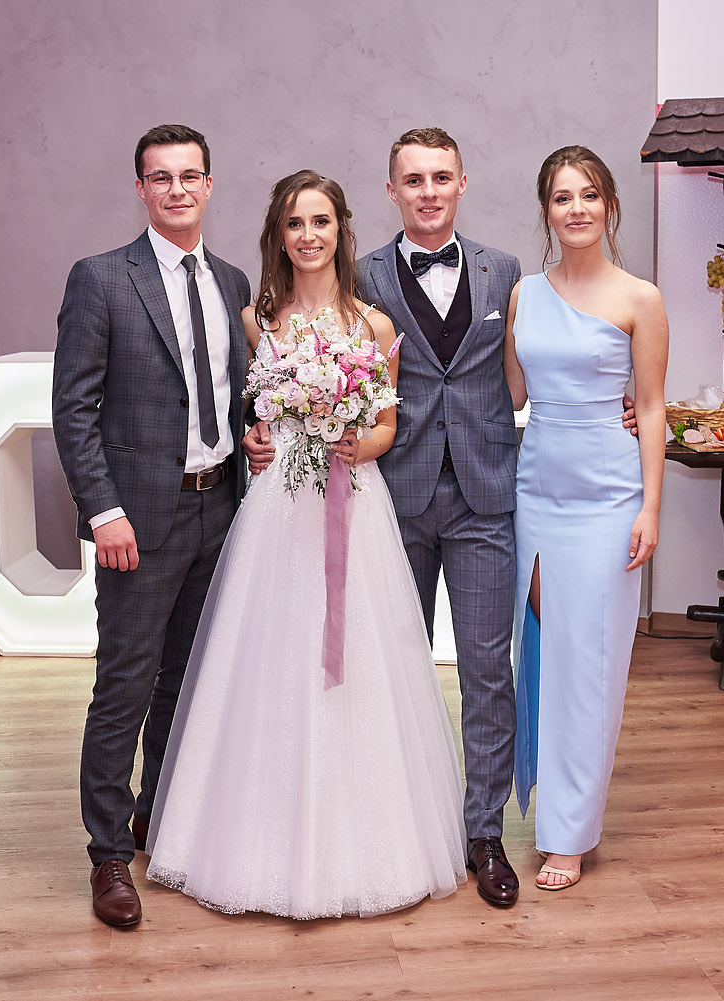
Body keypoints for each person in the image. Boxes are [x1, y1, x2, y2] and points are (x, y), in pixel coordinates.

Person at [144, 170, 467, 919]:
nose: (309, 235)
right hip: (279, 513)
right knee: (269, 660)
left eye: (320, 221)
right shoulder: (256, 321)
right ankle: (251, 844)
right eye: (295, 223)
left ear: (341, 230)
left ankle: (366, 847)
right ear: (279, 236)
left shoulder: (374, 325)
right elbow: (245, 413)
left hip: (354, 503)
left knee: (362, 666)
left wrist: (359, 442)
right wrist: (259, 436)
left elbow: (388, 423)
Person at [249, 128, 525, 907]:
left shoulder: (505, 271)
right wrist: (261, 431)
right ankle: (394, 831)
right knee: (387, 668)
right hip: (388, 497)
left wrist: (612, 406)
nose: (427, 191)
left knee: (486, 671)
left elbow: (525, 372)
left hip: (482, 498)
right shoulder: (358, 275)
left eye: (441, 177)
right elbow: (288, 358)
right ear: (391, 190)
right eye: (413, 179)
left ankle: (483, 834)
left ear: (462, 183)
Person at [52, 124, 252, 929]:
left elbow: (235, 396)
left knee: (186, 679)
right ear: (140, 189)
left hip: (221, 509)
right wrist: (104, 510)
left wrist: (257, 439)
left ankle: (157, 817)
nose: (177, 189)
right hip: (137, 518)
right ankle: (107, 855)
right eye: (160, 177)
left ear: (209, 185)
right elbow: (74, 407)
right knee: (126, 684)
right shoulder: (102, 279)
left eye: (189, 175)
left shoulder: (232, 281)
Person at [503, 146, 668, 891]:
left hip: (609, 499)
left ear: (609, 207)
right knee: (543, 654)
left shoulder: (641, 298)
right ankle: (538, 803)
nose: (577, 208)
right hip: (536, 492)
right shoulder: (523, 295)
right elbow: (510, 395)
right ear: (546, 210)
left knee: (590, 665)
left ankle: (569, 835)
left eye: (590, 194)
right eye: (563, 196)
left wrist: (652, 507)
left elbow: (653, 407)